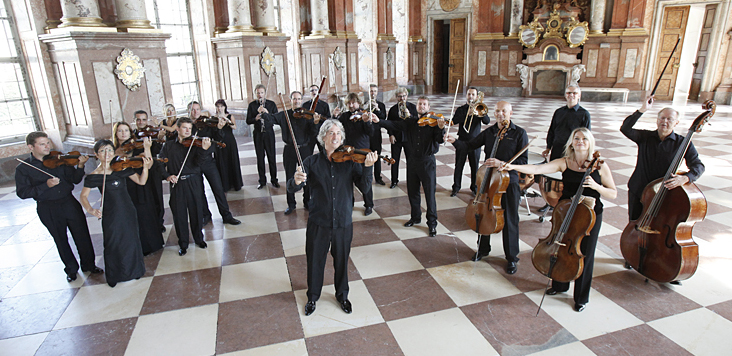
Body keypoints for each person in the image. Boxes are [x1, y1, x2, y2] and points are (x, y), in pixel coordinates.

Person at [504, 127, 617, 311]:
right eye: (577, 138)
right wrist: (513, 166)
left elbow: (613, 193)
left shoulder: (599, 165)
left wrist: (596, 186)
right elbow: (537, 168)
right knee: (561, 248)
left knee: (585, 255)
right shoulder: (565, 162)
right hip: (566, 212)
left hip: (590, 216)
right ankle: (559, 285)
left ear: (590, 143)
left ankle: (581, 297)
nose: (580, 141)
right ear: (571, 142)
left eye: (584, 139)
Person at [288, 119, 377, 316]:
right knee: (315, 261)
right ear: (323, 138)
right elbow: (292, 187)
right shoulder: (311, 162)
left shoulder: (351, 162)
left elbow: (365, 188)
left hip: (343, 222)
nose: (335, 136)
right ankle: (312, 296)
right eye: (331, 133)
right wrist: (295, 180)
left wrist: (368, 168)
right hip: (318, 223)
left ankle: (342, 295)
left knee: (342, 261)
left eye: (338, 133)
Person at [447, 101, 527, 274]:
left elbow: (523, 162)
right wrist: (455, 141)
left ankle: (512, 257)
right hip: (489, 180)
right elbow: (469, 145)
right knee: (483, 213)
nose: (500, 114)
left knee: (511, 220)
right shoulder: (490, 132)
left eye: (504, 111)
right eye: (497, 111)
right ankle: (483, 249)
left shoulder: (520, 133)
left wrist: (503, 164)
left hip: (509, 183)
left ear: (510, 113)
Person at [15, 132, 103, 282]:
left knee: (82, 235)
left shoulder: (59, 160)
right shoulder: (24, 168)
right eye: (42, 144)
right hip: (47, 208)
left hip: (68, 202)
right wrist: (45, 186)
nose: (47, 146)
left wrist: (80, 166)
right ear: (31, 146)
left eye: (47, 143)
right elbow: (22, 193)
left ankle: (89, 265)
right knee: (60, 239)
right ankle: (71, 270)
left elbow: (75, 180)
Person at [621, 95, 704, 221]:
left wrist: (686, 178)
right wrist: (642, 110)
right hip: (638, 189)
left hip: (664, 193)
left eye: (670, 119)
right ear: (657, 120)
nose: (665, 121)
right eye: (662, 118)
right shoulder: (645, 137)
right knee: (635, 223)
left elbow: (698, 166)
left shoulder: (683, 143)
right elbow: (625, 128)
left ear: (676, 122)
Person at [79, 139, 150, 287]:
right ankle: (114, 275)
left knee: (131, 240)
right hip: (110, 212)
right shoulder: (94, 175)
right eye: (103, 151)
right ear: (96, 154)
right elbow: (83, 196)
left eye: (110, 150)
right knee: (113, 242)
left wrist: (146, 168)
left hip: (127, 209)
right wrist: (91, 210)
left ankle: (135, 271)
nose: (107, 154)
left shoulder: (121, 168)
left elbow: (141, 182)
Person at [376, 96, 444, 237]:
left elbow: (439, 140)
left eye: (425, 104)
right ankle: (415, 217)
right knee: (412, 192)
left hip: (427, 162)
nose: (422, 106)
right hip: (412, 162)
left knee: (430, 195)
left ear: (428, 107)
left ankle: (432, 224)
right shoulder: (411, 122)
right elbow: (394, 125)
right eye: (420, 104)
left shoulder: (434, 123)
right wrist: (379, 121)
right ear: (417, 106)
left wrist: (441, 128)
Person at [158, 117, 213, 256]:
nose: (188, 131)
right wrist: (167, 176)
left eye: (190, 128)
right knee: (180, 215)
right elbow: (159, 163)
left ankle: (199, 239)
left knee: (196, 212)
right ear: (177, 129)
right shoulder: (169, 146)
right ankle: (183, 243)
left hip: (194, 182)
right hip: (178, 183)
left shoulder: (196, 144)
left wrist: (204, 150)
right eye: (185, 128)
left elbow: (200, 163)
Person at [113, 122, 165, 255]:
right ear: (116, 134)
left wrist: (147, 148)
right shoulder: (112, 150)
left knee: (144, 213)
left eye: (126, 130)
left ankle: (151, 244)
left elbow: (150, 162)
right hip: (122, 187)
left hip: (139, 183)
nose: (124, 133)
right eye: (120, 131)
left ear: (131, 133)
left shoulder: (136, 147)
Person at [188, 101, 241, 226]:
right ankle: (206, 215)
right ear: (189, 112)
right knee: (199, 191)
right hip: (193, 163)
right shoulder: (187, 126)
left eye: (197, 109)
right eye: (193, 110)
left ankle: (226, 216)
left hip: (208, 161)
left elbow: (218, 138)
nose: (195, 112)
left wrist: (219, 128)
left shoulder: (207, 124)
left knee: (218, 189)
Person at [266, 91, 318, 214]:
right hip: (289, 149)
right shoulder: (284, 115)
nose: (297, 101)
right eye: (294, 99)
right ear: (290, 100)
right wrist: (264, 113)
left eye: (299, 99)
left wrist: (315, 123)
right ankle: (291, 204)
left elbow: (313, 133)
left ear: (301, 100)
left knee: (306, 176)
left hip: (304, 149)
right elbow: (271, 119)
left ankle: (307, 201)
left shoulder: (307, 115)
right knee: (290, 176)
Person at [541, 85, 591, 212]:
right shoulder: (559, 112)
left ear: (579, 95)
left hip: (572, 151)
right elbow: (552, 130)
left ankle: (566, 203)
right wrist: (548, 147)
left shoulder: (584, 114)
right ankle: (550, 201)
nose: (571, 95)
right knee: (553, 175)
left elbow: (586, 135)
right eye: (569, 93)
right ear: (565, 95)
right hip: (557, 148)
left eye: (574, 93)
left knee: (568, 176)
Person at [337, 93, 377, 216]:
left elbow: (371, 133)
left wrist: (367, 122)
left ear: (358, 102)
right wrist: (334, 117)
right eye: (348, 103)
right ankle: (350, 203)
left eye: (353, 102)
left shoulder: (364, 115)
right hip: (348, 153)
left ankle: (369, 205)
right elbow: (337, 129)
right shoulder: (344, 116)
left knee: (365, 179)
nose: (351, 105)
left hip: (361, 153)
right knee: (347, 180)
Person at [450, 87, 491, 197]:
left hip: (476, 142)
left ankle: (474, 187)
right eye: (469, 94)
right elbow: (454, 121)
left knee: (474, 166)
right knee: (459, 165)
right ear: (466, 95)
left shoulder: (479, 109)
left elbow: (487, 121)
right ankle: (456, 187)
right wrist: (467, 114)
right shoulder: (461, 109)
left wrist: (480, 112)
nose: (471, 96)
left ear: (477, 96)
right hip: (462, 141)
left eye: (473, 94)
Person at [246, 84, 280, 189]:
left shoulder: (271, 104)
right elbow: (248, 121)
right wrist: (255, 118)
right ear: (255, 94)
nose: (260, 95)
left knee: (272, 157)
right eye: (258, 93)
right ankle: (262, 181)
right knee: (260, 158)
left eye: (261, 93)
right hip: (258, 134)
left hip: (269, 133)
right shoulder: (252, 105)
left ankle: (274, 180)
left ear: (265, 93)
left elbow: (276, 118)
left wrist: (267, 113)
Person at [386, 87, 418, 189]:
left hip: (409, 138)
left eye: (404, 96)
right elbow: (389, 124)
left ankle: (411, 181)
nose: (402, 98)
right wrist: (390, 134)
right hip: (397, 138)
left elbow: (416, 122)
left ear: (407, 96)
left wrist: (410, 114)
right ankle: (394, 180)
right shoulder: (392, 110)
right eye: (400, 96)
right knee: (394, 160)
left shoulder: (413, 108)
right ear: (396, 97)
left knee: (411, 161)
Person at [213, 99, 244, 192]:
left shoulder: (230, 116)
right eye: (218, 106)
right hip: (219, 141)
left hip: (229, 141)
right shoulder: (214, 117)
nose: (220, 108)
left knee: (232, 160)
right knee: (221, 161)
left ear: (225, 107)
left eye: (221, 106)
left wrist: (226, 120)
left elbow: (234, 126)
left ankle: (236, 184)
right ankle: (224, 185)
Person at [366, 84, 387, 185]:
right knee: (365, 155)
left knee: (377, 155)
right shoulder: (364, 104)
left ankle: (378, 178)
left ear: (377, 92)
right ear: (368, 93)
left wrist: (377, 109)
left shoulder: (381, 105)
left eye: (374, 91)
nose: (373, 93)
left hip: (376, 134)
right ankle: (365, 177)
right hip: (365, 134)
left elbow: (383, 118)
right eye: (371, 91)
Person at [303, 84, 331, 155]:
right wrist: (312, 120)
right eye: (312, 90)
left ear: (318, 92)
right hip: (309, 133)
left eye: (315, 90)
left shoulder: (324, 105)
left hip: (321, 132)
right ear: (309, 93)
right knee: (307, 154)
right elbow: (303, 120)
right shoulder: (305, 105)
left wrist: (320, 118)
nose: (314, 92)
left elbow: (328, 119)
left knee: (324, 153)